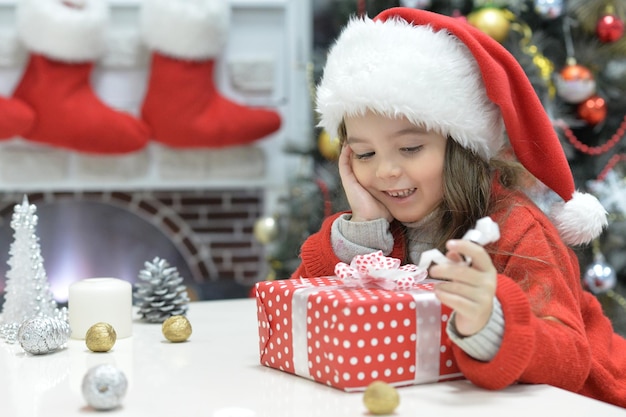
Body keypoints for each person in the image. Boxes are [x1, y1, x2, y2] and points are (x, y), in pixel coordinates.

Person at [292, 7, 626, 408]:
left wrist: (493, 320)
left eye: (411, 148)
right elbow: (305, 310)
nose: (385, 171)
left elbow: (570, 359)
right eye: (364, 153)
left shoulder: (516, 227)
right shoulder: (373, 226)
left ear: (461, 148)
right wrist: (363, 229)